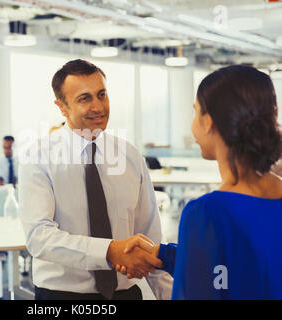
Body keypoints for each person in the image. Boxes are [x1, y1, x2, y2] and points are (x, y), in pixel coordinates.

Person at [117, 65, 282, 299]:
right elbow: (249, 270)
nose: (192, 124)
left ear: (209, 122)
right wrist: (165, 255)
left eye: (195, 112)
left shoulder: (207, 213)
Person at [18, 59, 172, 300]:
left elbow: (149, 236)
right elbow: (39, 237)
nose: (98, 106)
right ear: (62, 107)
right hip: (62, 296)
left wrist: (170, 295)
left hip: (125, 294)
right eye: (84, 98)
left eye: (102, 95)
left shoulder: (130, 156)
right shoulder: (38, 158)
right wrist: (110, 251)